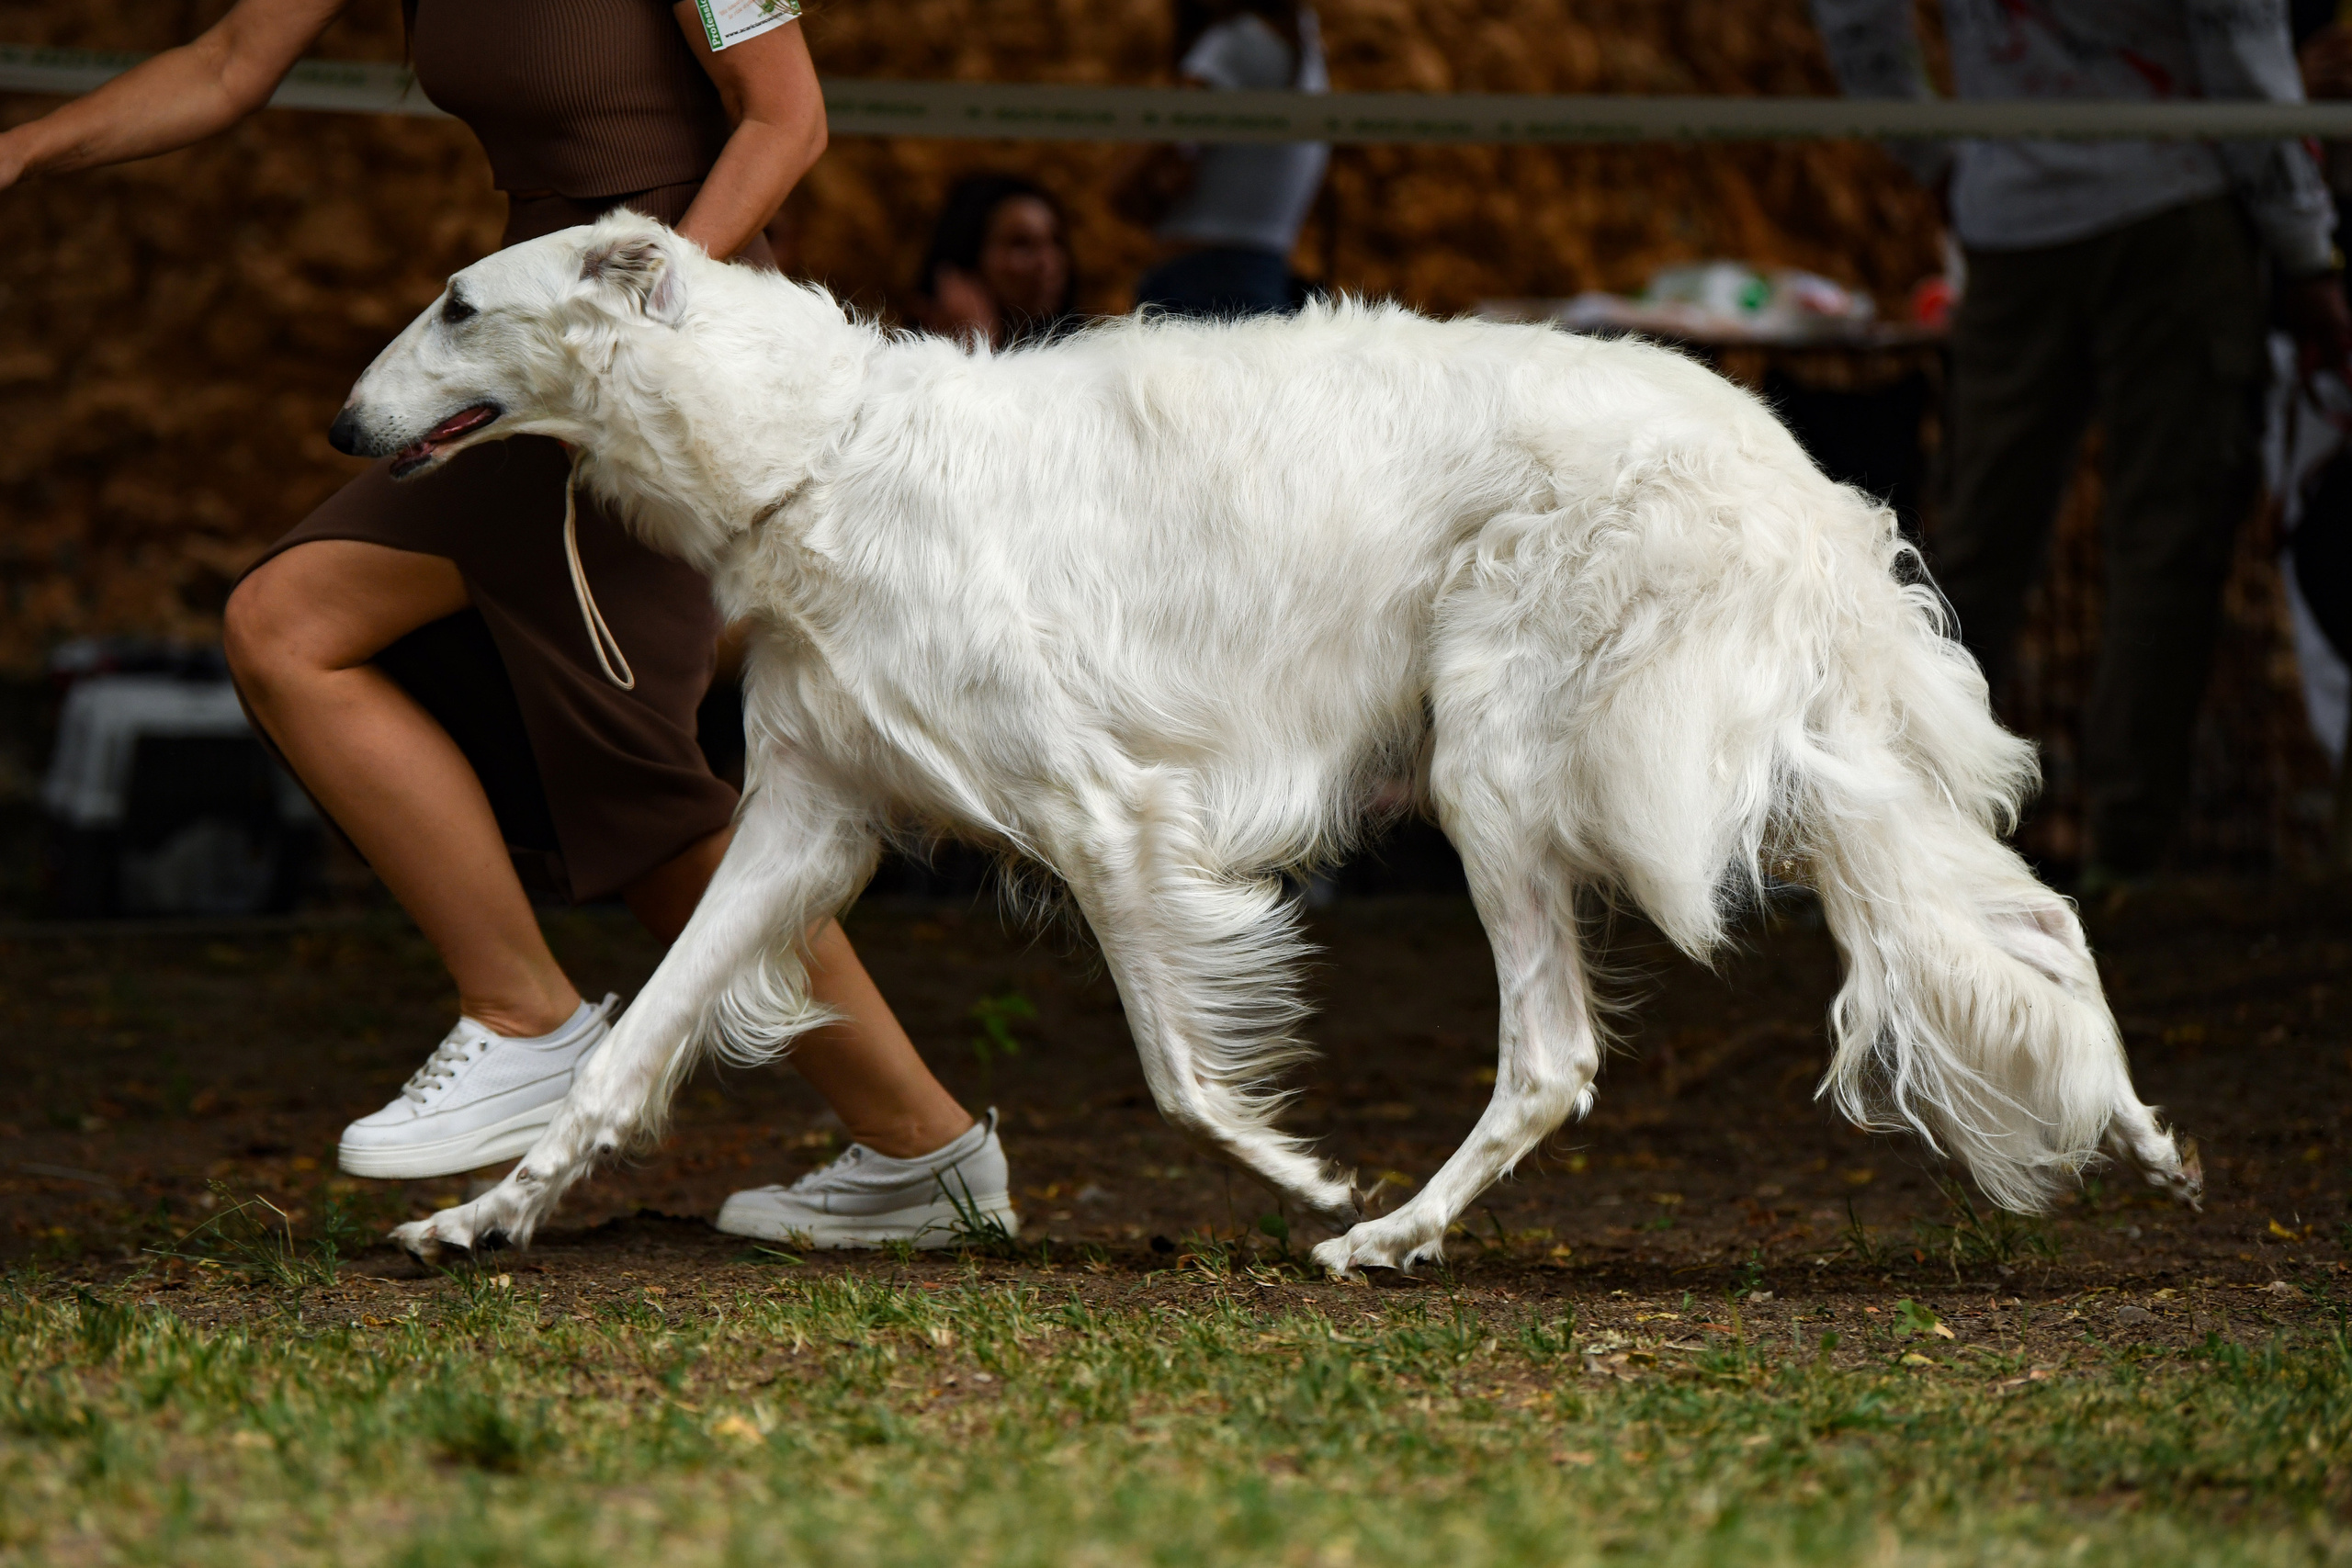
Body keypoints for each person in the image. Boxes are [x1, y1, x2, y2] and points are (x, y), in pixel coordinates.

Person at [0, 0, 1017, 1247]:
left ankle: (533, 1012)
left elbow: (786, 118)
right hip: (525, 361)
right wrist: (28, 147)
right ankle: (922, 1147)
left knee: (326, 639)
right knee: (528, 742)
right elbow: (225, 66)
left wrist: (636, 317)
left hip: (647, 365)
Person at [1811, 0, 2352, 889]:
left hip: (2014, 215)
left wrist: (1945, 161)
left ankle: (1898, 844)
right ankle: (2125, 860)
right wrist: (2303, 253)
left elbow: (1856, 20)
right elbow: (2238, 40)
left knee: (1972, 550)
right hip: (2178, 203)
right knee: (2164, 553)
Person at [1114, 0, 1329, 319]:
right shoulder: (1303, 46)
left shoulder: (1236, 43)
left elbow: (1146, 161)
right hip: (1263, 275)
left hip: (1200, 280)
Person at [910, 174, 1080, 347]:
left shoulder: (1088, 360)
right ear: (971, 253)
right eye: (1020, 244)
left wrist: (976, 346)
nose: (1049, 263)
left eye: (1057, 242)